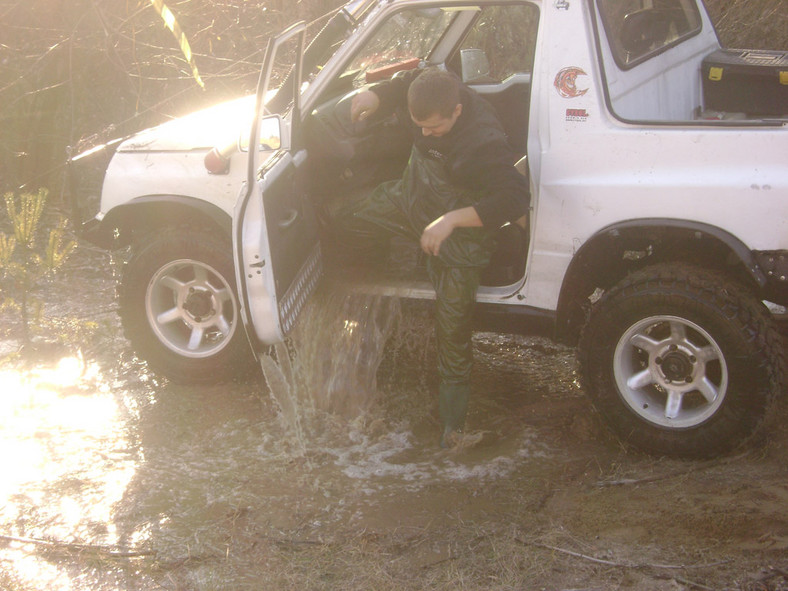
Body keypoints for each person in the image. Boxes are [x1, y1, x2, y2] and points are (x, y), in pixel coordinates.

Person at [334, 66, 530, 448]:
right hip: (413, 198)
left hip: (461, 237)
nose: (424, 134)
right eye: (417, 125)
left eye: (434, 128)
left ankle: (452, 429)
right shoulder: (435, 90)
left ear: (457, 111)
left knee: (452, 331)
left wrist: (451, 221)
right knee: (340, 215)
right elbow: (411, 80)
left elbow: (513, 198)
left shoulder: (483, 143)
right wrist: (378, 95)